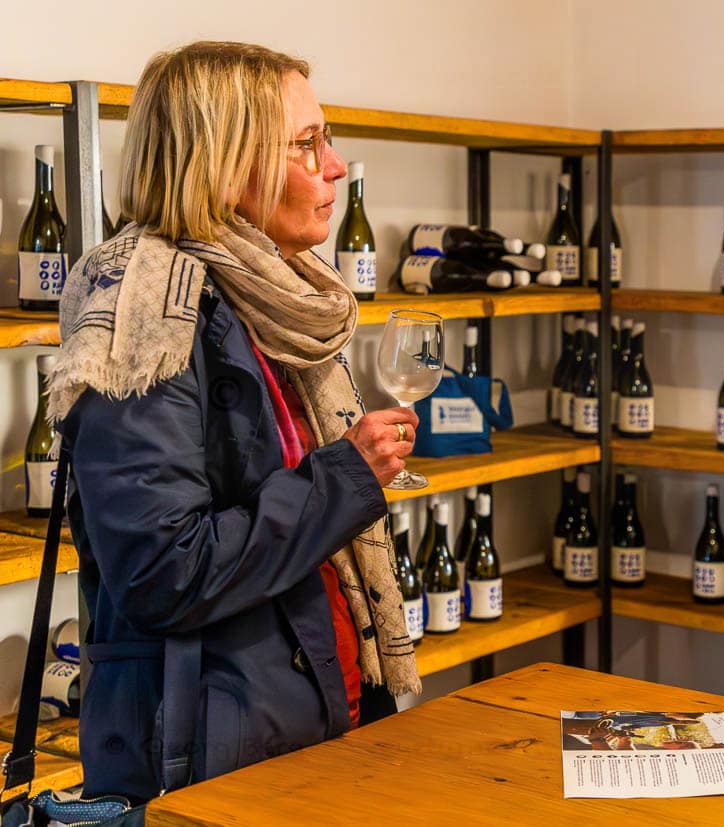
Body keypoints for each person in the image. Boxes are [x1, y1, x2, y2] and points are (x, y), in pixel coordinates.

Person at [48, 41, 421, 805]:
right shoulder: (146, 321)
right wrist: (345, 477)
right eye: (308, 144)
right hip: (211, 764)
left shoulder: (273, 301)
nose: (336, 165)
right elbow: (165, 572)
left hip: (302, 729)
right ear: (225, 163)